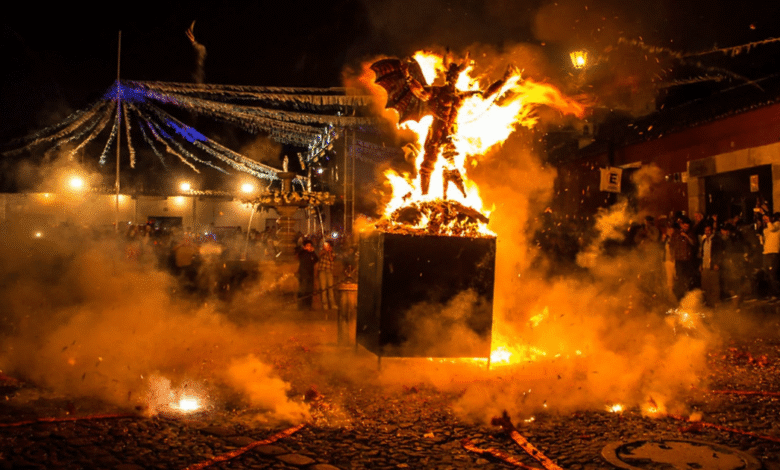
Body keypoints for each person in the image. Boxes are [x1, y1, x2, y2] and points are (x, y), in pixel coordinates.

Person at [699, 224, 722, 306]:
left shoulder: (716, 240)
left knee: (714, 285)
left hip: (712, 266)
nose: (707, 232)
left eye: (708, 230)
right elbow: (702, 253)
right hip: (705, 266)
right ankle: (707, 302)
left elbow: (719, 253)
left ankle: (715, 302)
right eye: (706, 230)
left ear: (711, 230)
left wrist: (717, 263)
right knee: (705, 285)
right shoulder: (704, 241)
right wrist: (701, 264)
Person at [760, 212, 780, 299]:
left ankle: (776, 294)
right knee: (767, 274)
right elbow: (766, 237)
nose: (765, 220)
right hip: (766, 252)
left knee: (772, 274)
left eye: (767, 218)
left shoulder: (777, 224)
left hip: (773, 252)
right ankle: (771, 293)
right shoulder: (768, 226)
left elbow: (772, 229)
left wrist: (768, 220)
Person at [297, 239, 319, 310]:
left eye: (310, 246)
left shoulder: (311, 254)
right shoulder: (302, 253)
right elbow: (300, 256)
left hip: (310, 274)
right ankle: (301, 306)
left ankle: (308, 306)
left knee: (310, 290)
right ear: (304, 246)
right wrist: (305, 250)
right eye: (307, 246)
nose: (309, 247)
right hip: (303, 274)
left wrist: (313, 252)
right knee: (302, 290)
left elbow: (316, 259)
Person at [317, 240, 337, 310]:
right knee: (323, 289)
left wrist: (329, 252)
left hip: (329, 272)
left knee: (330, 289)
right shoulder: (322, 251)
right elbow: (318, 255)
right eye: (325, 245)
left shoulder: (333, 253)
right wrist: (324, 251)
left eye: (328, 245)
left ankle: (332, 305)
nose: (326, 247)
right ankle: (325, 305)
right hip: (322, 271)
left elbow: (331, 259)